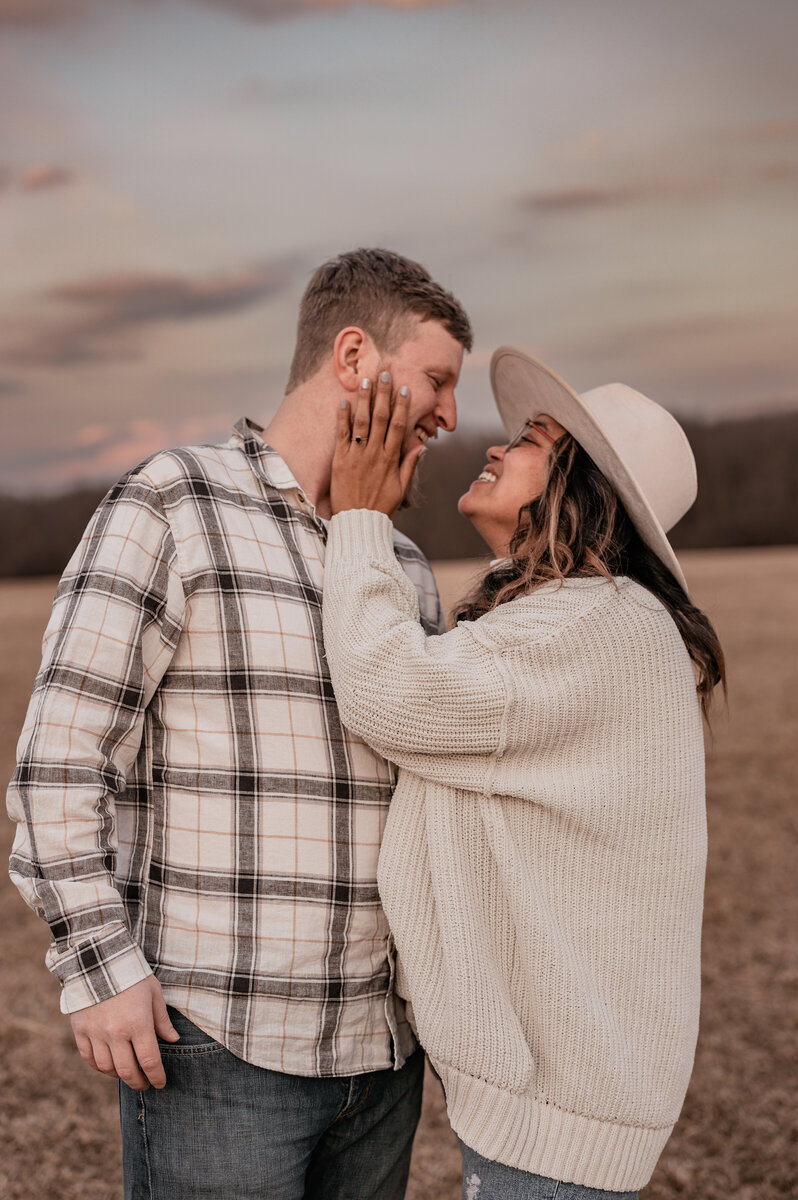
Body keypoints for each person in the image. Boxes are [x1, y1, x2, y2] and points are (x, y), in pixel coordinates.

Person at [6, 247, 472, 1200]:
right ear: (354, 359)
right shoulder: (172, 503)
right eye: (436, 380)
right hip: (218, 1049)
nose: (450, 415)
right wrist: (100, 969)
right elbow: (60, 761)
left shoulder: (401, 564)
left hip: (382, 1058)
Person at [321, 351, 727, 1199]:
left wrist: (358, 517)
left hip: (562, 1110)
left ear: (583, 488)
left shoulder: (596, 623)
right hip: (565, 1096)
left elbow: (389, 692)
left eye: (533, 441)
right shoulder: (581, 619)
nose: (499, 450)